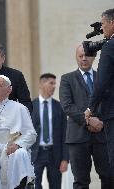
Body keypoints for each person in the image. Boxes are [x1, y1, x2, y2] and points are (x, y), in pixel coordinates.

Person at [60, 45, 112, 188]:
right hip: (77, 137)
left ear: (94, 56)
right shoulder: (67, 79)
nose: (84, 58)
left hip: (102, 135)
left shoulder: (103, 78)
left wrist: (100, 122)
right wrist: (89, 120)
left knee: (109, 176)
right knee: (81, 181)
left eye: (87, 55)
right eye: (80, 55)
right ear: (76, 57)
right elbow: (67, 106)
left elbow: (109, 103)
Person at [84, 8, 114, 186]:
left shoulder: (110, 46)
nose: (101, 29)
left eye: (103, 24)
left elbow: (101, 83)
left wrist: (90, 108)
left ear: (112, 23)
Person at [31, 73, 68, 189]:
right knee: (33, 186)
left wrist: (65, 159)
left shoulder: (60, 107)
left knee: (56, 186)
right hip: (36, 154)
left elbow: (65, 134)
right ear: (42, 84)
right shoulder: (31, 106)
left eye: (55, 83)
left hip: (54, 154)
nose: (54, 86)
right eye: (51, 83)